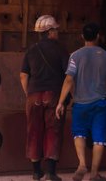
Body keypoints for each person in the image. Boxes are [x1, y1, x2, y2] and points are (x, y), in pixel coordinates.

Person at [56, 23, 106, 181]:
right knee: (99, 138)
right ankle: (94, 173)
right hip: (100, 104)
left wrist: (60, 102)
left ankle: (82, 164)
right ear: (98, 36)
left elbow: (69, 80)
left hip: (80, 104)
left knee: (79, 133)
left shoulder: (75, 56)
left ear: (82, 36)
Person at [21, 15, 68, 181]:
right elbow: (68, 76)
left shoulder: (31, 50)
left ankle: (36, 172)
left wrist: (28, 94)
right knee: (52, 131)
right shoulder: (61, 50)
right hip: (53, 95)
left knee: (33, 131)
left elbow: (23, 76)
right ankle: (50, 172)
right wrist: (64, 99)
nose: (57, 32)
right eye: (55, 29)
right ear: (49, 32)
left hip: (33, 95)